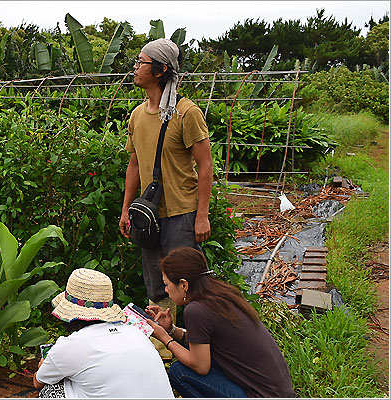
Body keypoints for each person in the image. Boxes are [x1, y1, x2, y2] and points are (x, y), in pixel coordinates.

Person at [118, 37, 214, 355]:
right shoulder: (136, 116)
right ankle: (162, 352)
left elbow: (205, 165)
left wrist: (202, 215)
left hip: (182, 214)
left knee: (186, 283)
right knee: (155, 284)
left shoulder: (186, 114)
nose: (135, 66)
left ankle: (198, 348)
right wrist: (125, 211)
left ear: (160, 70)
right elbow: (134, 165)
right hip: (149, 217)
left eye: (141, 61)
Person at [146, 247, 294, 398]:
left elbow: (200, 366)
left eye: (167, 284)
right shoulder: (221, 294)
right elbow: (203, 342)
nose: (166, 290)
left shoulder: (195, 310)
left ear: (184, 285)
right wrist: (171, 330)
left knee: (179, 372)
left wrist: (165, 338)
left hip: (261, 395)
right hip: (279, 391)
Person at [32, 268, 173, 398]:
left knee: (50, 390)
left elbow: (38, 383)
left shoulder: (70, 345)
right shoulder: (135, 332)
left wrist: (43, 367)